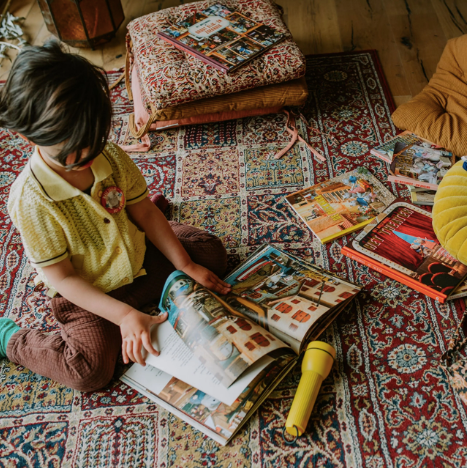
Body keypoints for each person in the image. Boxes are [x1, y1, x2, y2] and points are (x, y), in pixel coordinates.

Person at [0, 42, 231, 392]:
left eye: (94, 140)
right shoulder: (31, 201)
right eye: (72, 152)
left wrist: (184, 265)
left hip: (135, 259)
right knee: (88, 372)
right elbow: (62, 278)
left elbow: (143, 213)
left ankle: (146, 248)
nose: (88, 154)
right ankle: (9, 339)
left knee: (210, 254)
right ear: (25, 136)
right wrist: (121, 315)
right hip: (85, 289)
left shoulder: (107, 154)